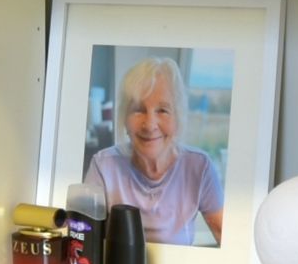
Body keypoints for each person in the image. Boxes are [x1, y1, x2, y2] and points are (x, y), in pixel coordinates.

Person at [85, 53, 225, 244]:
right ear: (124, 118)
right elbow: (84, 241)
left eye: (162, 110)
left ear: (177, 118)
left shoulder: (199, 167)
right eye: (138, 109)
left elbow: (228, 239)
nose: (150, 125)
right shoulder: (103, 166)